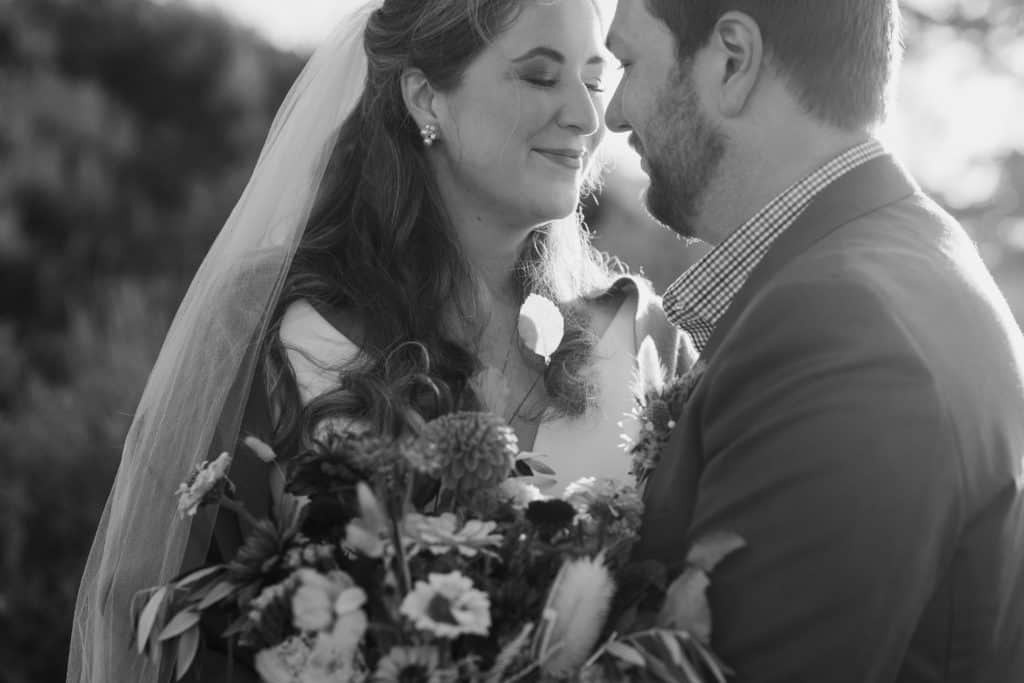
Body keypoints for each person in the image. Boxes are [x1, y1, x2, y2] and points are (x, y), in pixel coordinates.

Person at [68, 0, 682, 681]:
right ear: (425, 97)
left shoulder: (641, 339)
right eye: (540, 77)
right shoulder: (278, 326)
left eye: (594, 81)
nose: (587, 116)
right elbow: (159, 623)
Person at [606, 0, 1024, 681]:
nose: (613, 114)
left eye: (628, 63)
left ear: (733, 61)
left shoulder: (844, 330)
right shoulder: (903, 265)